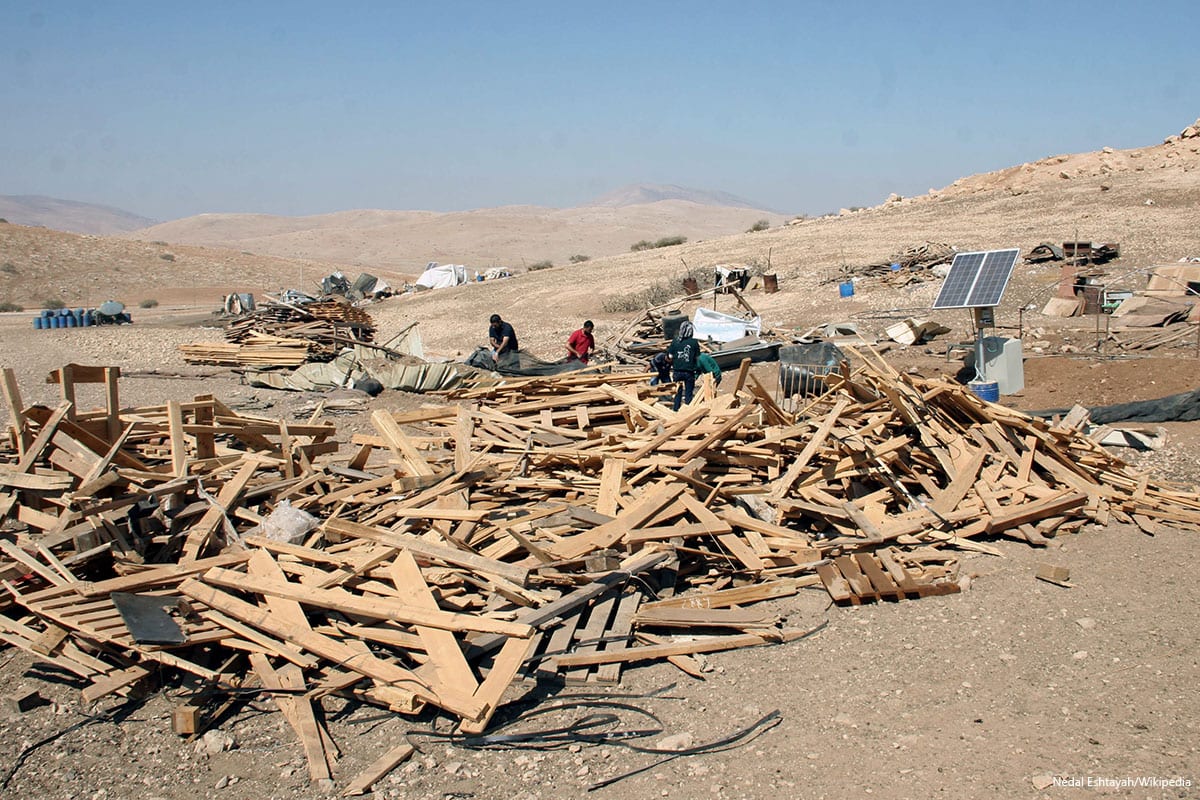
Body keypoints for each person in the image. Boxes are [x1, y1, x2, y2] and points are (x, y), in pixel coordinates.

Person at [667, 321, 699, 411]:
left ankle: (676, 410)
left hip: (677, 371)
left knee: (678, 392)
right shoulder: (694, 342)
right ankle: (688, 411)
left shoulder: (675, 341)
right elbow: (697, 357)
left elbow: (670, 356)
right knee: (689, 393)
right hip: (689, 372)